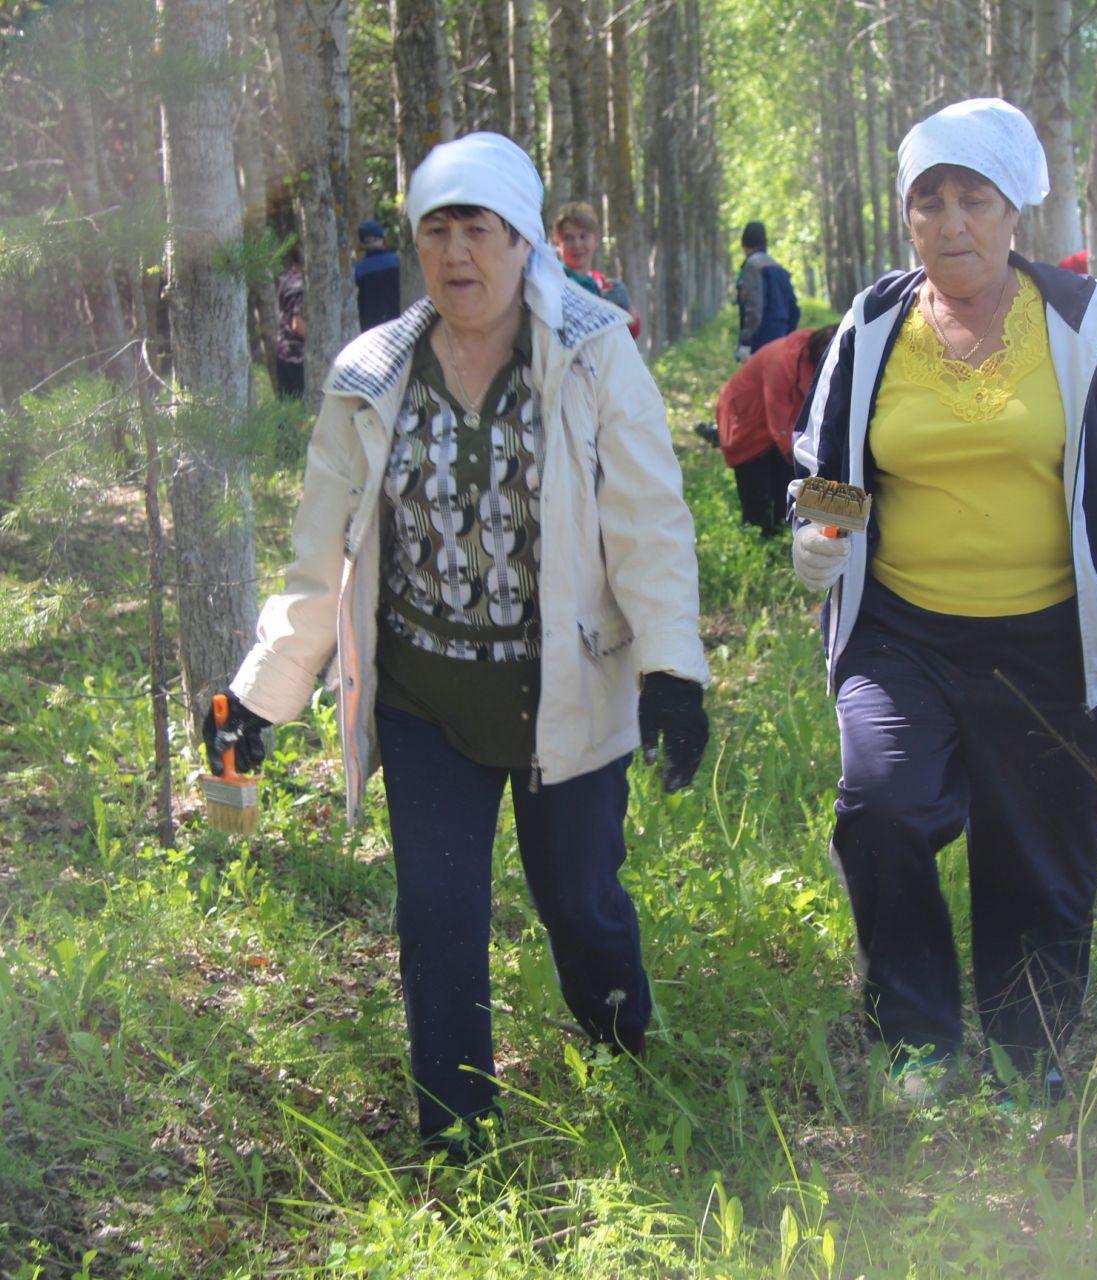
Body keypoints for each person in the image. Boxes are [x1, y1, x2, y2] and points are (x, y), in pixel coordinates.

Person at [201, 132, 711, 1155]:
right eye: (436, 229)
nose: (456, 252)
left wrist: (672, 671)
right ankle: (457, 1131)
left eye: (479, 228)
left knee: (581, 900)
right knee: (436, 913)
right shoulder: (370, 374)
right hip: (427, 696)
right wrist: (263, 693)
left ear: (524, 241)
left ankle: (622, 1035)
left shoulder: (594, 350)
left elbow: (648, 522)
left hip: (563, 686)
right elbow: (322, 557)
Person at [790, 98, 1097, 1099]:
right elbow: (825, 459)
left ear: (1013, 212)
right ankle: (915, 1036)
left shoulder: (1076, 323)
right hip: (901, 635)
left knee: (1038, 862)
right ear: (908, 217)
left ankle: (1024, 1054)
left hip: (1046, 641)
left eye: (972, 200)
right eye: (930, 201)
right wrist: (819, 530)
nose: (951, 222)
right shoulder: (872, 324)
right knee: (883, 807)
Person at [714, 326, 835, 535]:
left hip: (776, 429)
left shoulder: (815, 354)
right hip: (746, 421)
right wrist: (811, 468)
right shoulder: (781, 362)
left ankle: (782, 536)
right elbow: (780, 426)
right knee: (756, 497)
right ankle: (756, 545)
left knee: (784, 490)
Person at [551, 200, 640, 341]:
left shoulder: (601, 284)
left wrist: (626, 307)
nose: (577, 244)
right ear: (557, 244)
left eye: (583, 236)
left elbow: (633, 331)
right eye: (568, 238)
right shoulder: (553, 282)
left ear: (596, 240)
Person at [735, 220, 799, 362]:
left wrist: (745, 341)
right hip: (782, 341)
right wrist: (788, 336)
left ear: (743, 244)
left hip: (760, 343)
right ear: (766, 242)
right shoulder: (779, 268)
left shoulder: (751, 266)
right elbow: (794, 309)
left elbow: (754, 307)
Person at [354, 218, 403, 332]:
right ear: (383, 239)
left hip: (371, 332)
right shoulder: (398, 262)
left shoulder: (358, 271)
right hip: (400, 325)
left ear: (361, 244)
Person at [274, 245, 305, 399]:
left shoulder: (285, 279)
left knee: (287, 409)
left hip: (283, 351)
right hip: (297, 356)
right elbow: (297, 325)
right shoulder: (301, 285)